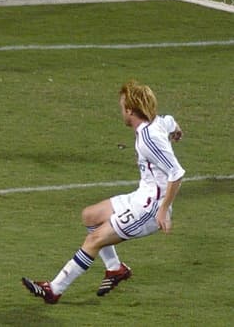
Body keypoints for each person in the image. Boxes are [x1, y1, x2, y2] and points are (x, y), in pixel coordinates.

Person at [22, 80, 186, 304]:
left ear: (130, 110)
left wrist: (163, 210)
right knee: (90, 216)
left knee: (94, 240)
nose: (121, 111)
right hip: (140, 197)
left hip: (150, 209)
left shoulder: (148, 140)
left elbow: (176, 173)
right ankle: (115, 269)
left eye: (122, 107)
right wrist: (176, 131)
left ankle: (54, 289)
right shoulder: (156, 123)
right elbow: (170, 121)